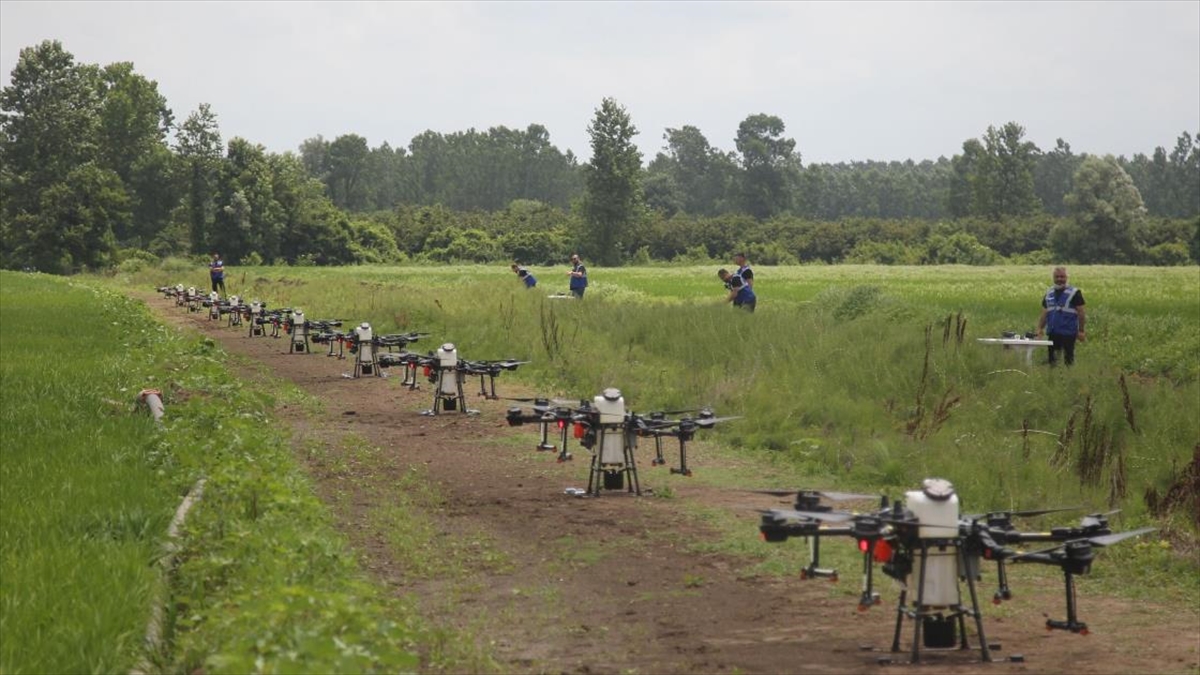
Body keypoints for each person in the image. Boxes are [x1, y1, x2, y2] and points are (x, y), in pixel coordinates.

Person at [1036, 266, 1086, 366]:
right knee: (1053, 361)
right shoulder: (1049, 293)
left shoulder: (1074, 293)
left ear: (1067, 277)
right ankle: (1053, 379)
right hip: (1053, 332)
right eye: (1057, 277)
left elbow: (1081, 313)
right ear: (1053, 278)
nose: (1059, 279)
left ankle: (1069, 378)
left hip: (1068, 333)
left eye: (1062, 277)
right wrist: (1040, 328)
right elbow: (1045, 312)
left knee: (1068, 360)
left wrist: (1081, 330)